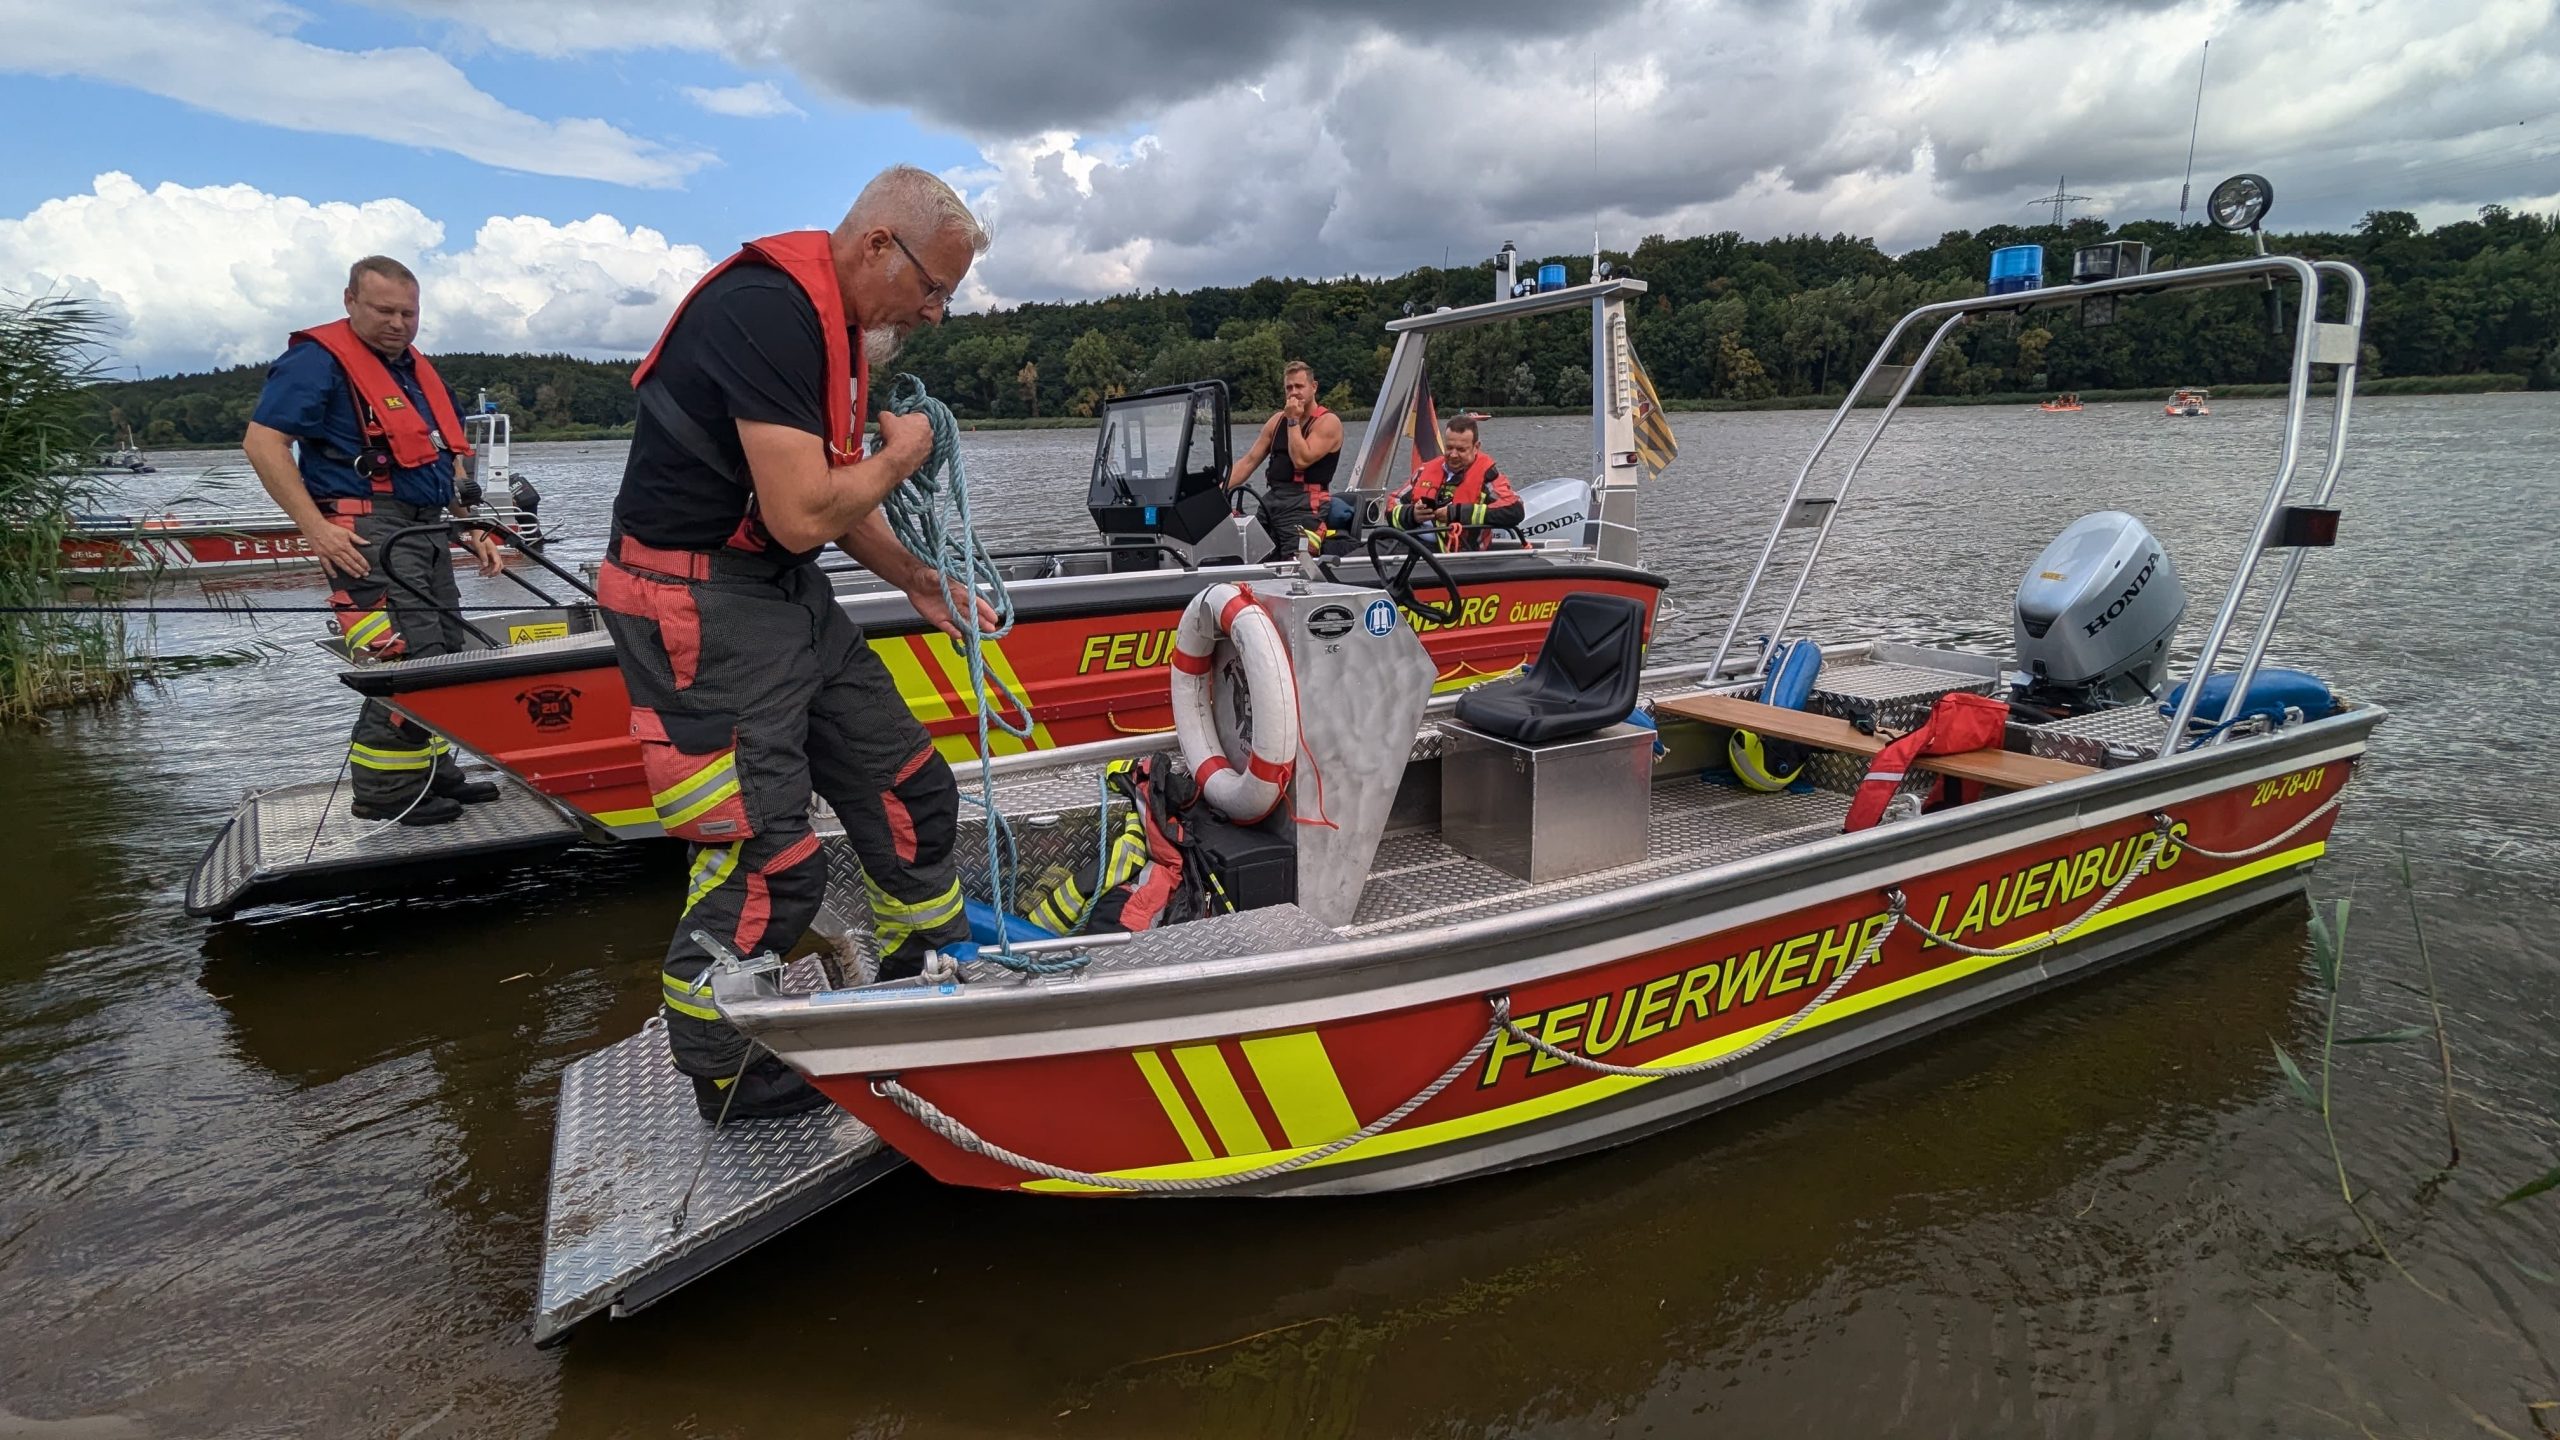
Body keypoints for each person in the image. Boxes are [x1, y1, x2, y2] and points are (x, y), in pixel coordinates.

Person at [600, 164, 995, 1120]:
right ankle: (725, 1071)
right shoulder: (768, 311)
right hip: (697, 600)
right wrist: (903, 456)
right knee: (767, 864)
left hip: (778, 590)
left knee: (909, 785)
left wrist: (915, 577)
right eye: (933, 288)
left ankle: (920, 970)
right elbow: (802, 510)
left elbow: (821, 500)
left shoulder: (838, 330)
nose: (937, 313)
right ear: (877, 246)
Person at [242, 256, 505, 827]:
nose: (398, 323)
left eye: (408, 313)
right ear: (350, 301)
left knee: (446, 651)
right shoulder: (317, 362)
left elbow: (445, 456)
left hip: (424, 525)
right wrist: (315, 528)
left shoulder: (415, 371)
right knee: (404, 657)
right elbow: (263, 443)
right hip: (366, 530)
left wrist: (471, 525)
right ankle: (386, 792)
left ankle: (434, 771)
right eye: (384, 311)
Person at [1224, 360, 1341, 556]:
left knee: (1294, 561)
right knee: (1250, 553)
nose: (1294, 392)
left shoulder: (1328, 422)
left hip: (1305, 505)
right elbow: (1249, 461)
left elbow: (1301, 460)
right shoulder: (1276, 421)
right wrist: (1219, 489)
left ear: (1313, 387)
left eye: (1299, 386)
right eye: (1289, 387)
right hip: (1273, 500)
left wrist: (1293, 420)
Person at [1390, 415, 1521, 551]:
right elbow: (1392, 505)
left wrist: (1457, 513)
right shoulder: (1424, 471)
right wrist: (1412, 515)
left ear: (1476, 447)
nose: (1453, 455)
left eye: (1461, 449)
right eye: (1449, 447)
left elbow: (1514, 509)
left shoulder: (1487, 477)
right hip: (1414, 545)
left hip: (1460, 553)